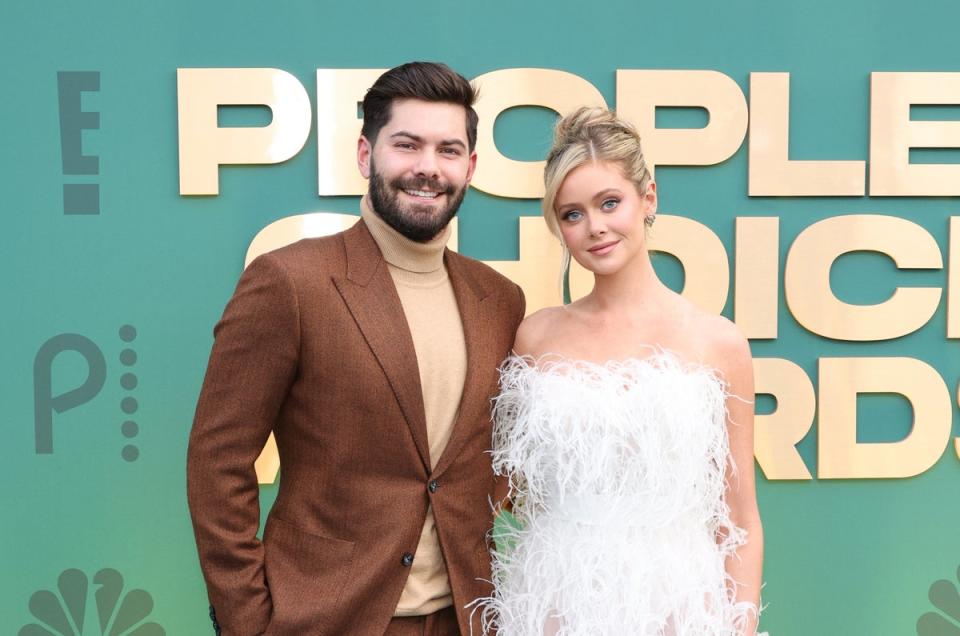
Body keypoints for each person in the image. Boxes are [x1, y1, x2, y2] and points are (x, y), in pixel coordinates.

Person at [187, 61, 525, 636]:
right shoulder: (291, 283)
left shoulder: (500, 300)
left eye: (448, 150)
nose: (427, 168)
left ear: (470, 167)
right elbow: (217, 463)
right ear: (366, 155)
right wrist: (248, 620)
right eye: (407, 145)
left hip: (468, 620)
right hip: (326, 619)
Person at [474, 107, 765, 635]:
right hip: (554, 600)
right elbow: (497, 492)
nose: (595, 227)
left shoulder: (719, 343)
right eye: (572, 214)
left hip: (678, 605)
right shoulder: (534, 337)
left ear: (648, 197)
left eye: (610, 203)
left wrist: (738, 627)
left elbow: (739, 516)